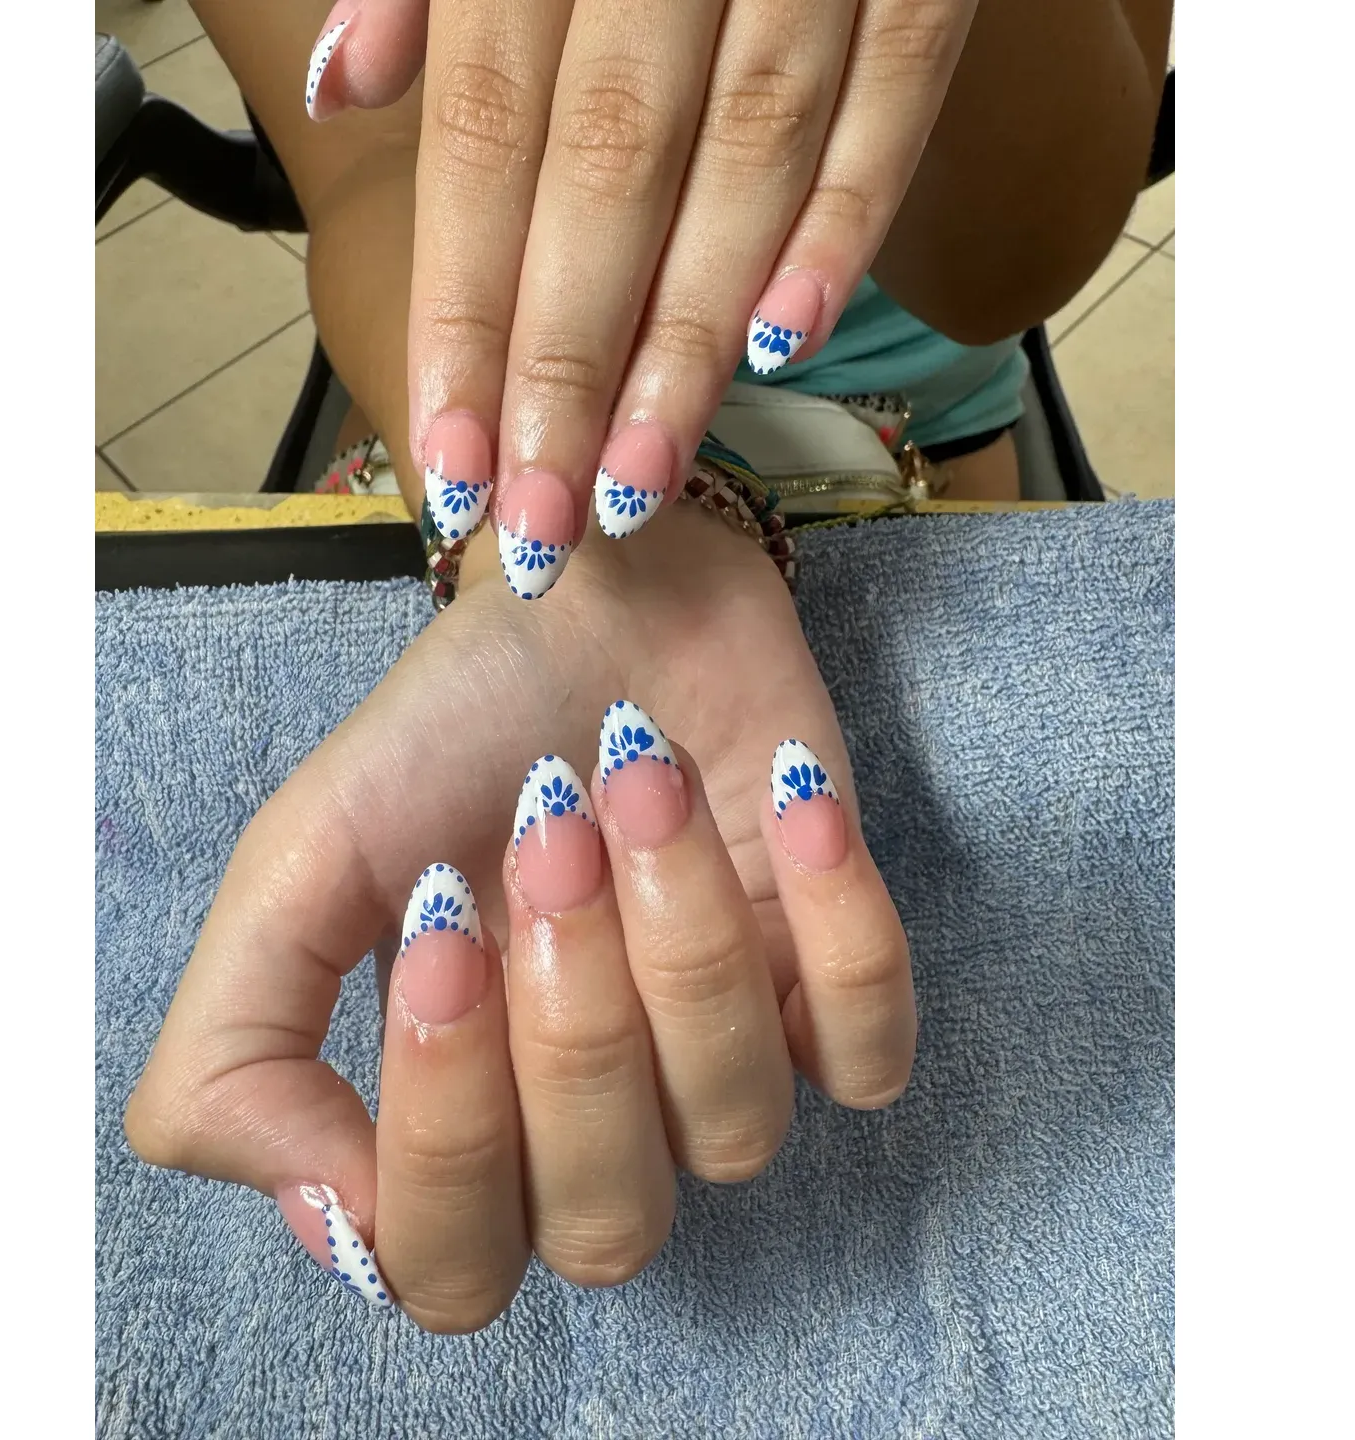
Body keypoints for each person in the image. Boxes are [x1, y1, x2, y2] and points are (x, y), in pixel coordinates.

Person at [123, 0, 1173, 1332]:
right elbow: (371, 173)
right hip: (496, 458)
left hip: (917, 447)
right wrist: (554, 529)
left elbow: (1013, 255)